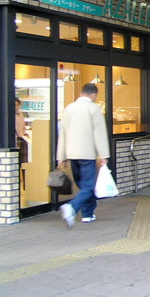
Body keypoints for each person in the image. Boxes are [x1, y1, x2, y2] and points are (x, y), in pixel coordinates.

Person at [57, 83, 110, 228]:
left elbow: (63, 134)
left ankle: (87, 213)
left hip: (71, 154)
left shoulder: (69, 108)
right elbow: (99, 133)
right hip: (87, 155)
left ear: (81, 93)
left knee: (83, 185)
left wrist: (61, 156)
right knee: (88, 186)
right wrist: (104, 155)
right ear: (93, 95)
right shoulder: (94, 108)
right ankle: (72, 207)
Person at [15, 97, 29, 163]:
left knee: (22, 160)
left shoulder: (20, 114)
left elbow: (23, 125)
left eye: (18, 105)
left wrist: (24, 133)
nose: (16, 107)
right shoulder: (9, 115)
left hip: (21, 139)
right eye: (15, 105)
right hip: (15, 140)